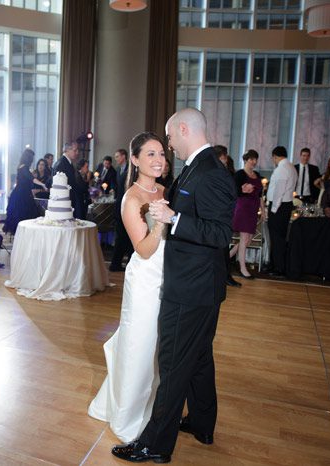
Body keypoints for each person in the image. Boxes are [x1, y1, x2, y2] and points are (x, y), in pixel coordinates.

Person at [111, 108, 236, 464]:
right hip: (194, 284)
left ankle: (155, 445)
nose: (168, 146)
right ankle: (201, 421)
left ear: (183, 129)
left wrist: (173, 219)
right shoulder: (198, 167)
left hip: (191, 288)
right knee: (198, 358)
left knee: (173, 364)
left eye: (168, 139)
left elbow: (220, 234)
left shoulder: (209, 171)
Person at [89, 131, 167, 442]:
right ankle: (127, 416)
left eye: (161, 153)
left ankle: (152, 405)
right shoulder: (131, 198)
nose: (159, 159)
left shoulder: (162, 189)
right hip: (147, 277)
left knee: (159, 346)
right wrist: (161, 222)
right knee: (140, 343)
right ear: (134, 160)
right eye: (150, 154)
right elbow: (144, 249)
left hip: (167, 273)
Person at [230, 150, 264, 279]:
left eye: (255, 159)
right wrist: (243, 189)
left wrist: (263, 211)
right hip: (243, 207)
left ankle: (226, 258)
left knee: (248, 239)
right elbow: (234, 191)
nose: (254, 162)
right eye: (251, 159)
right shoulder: (239, 174)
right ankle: (243, 268)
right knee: (244, 238)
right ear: (246, 160)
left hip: (253, 209)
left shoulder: (258, 175)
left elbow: (260, 195)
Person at [264, 146, 297, 276]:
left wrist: (273, 209)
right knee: (279, 237)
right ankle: (275, 265)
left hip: (279, 206)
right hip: (286, 205)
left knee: (277, 238)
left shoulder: (282, 169)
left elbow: (279, 191)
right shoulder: (292, 167)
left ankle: (278, 267)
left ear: (275, 156)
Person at [214, 145, 241, 288]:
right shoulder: (210, 174)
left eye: (225, 162)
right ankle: (222, 277)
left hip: (224, 216)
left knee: (224, 248)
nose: (225, 164)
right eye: (223, 161)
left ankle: (226, 276)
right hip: (215, 217)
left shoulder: (226, 174)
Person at [4, 148, 39, 235]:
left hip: (21, 193)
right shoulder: (24, 168)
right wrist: (43, 184)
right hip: (22, 195)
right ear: (29, 158)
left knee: (22, 214)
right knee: (23, 214)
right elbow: (32, 179)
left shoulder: (21, 167)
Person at [109, 148, 133, 271]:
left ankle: (125, 263)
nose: (116, 159)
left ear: (124, 156)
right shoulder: (119, 170)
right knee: (121, 236)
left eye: (117, 156)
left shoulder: (131, 169)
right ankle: (116, 264)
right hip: (119, 206)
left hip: (128, 207)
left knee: (127, 237)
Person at [53, 141, 81, 218]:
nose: (77, 152)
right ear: (67, 150)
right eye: (75, 150)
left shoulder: (68, 162)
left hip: (69, 200)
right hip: (63, 203)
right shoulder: (61, 163)